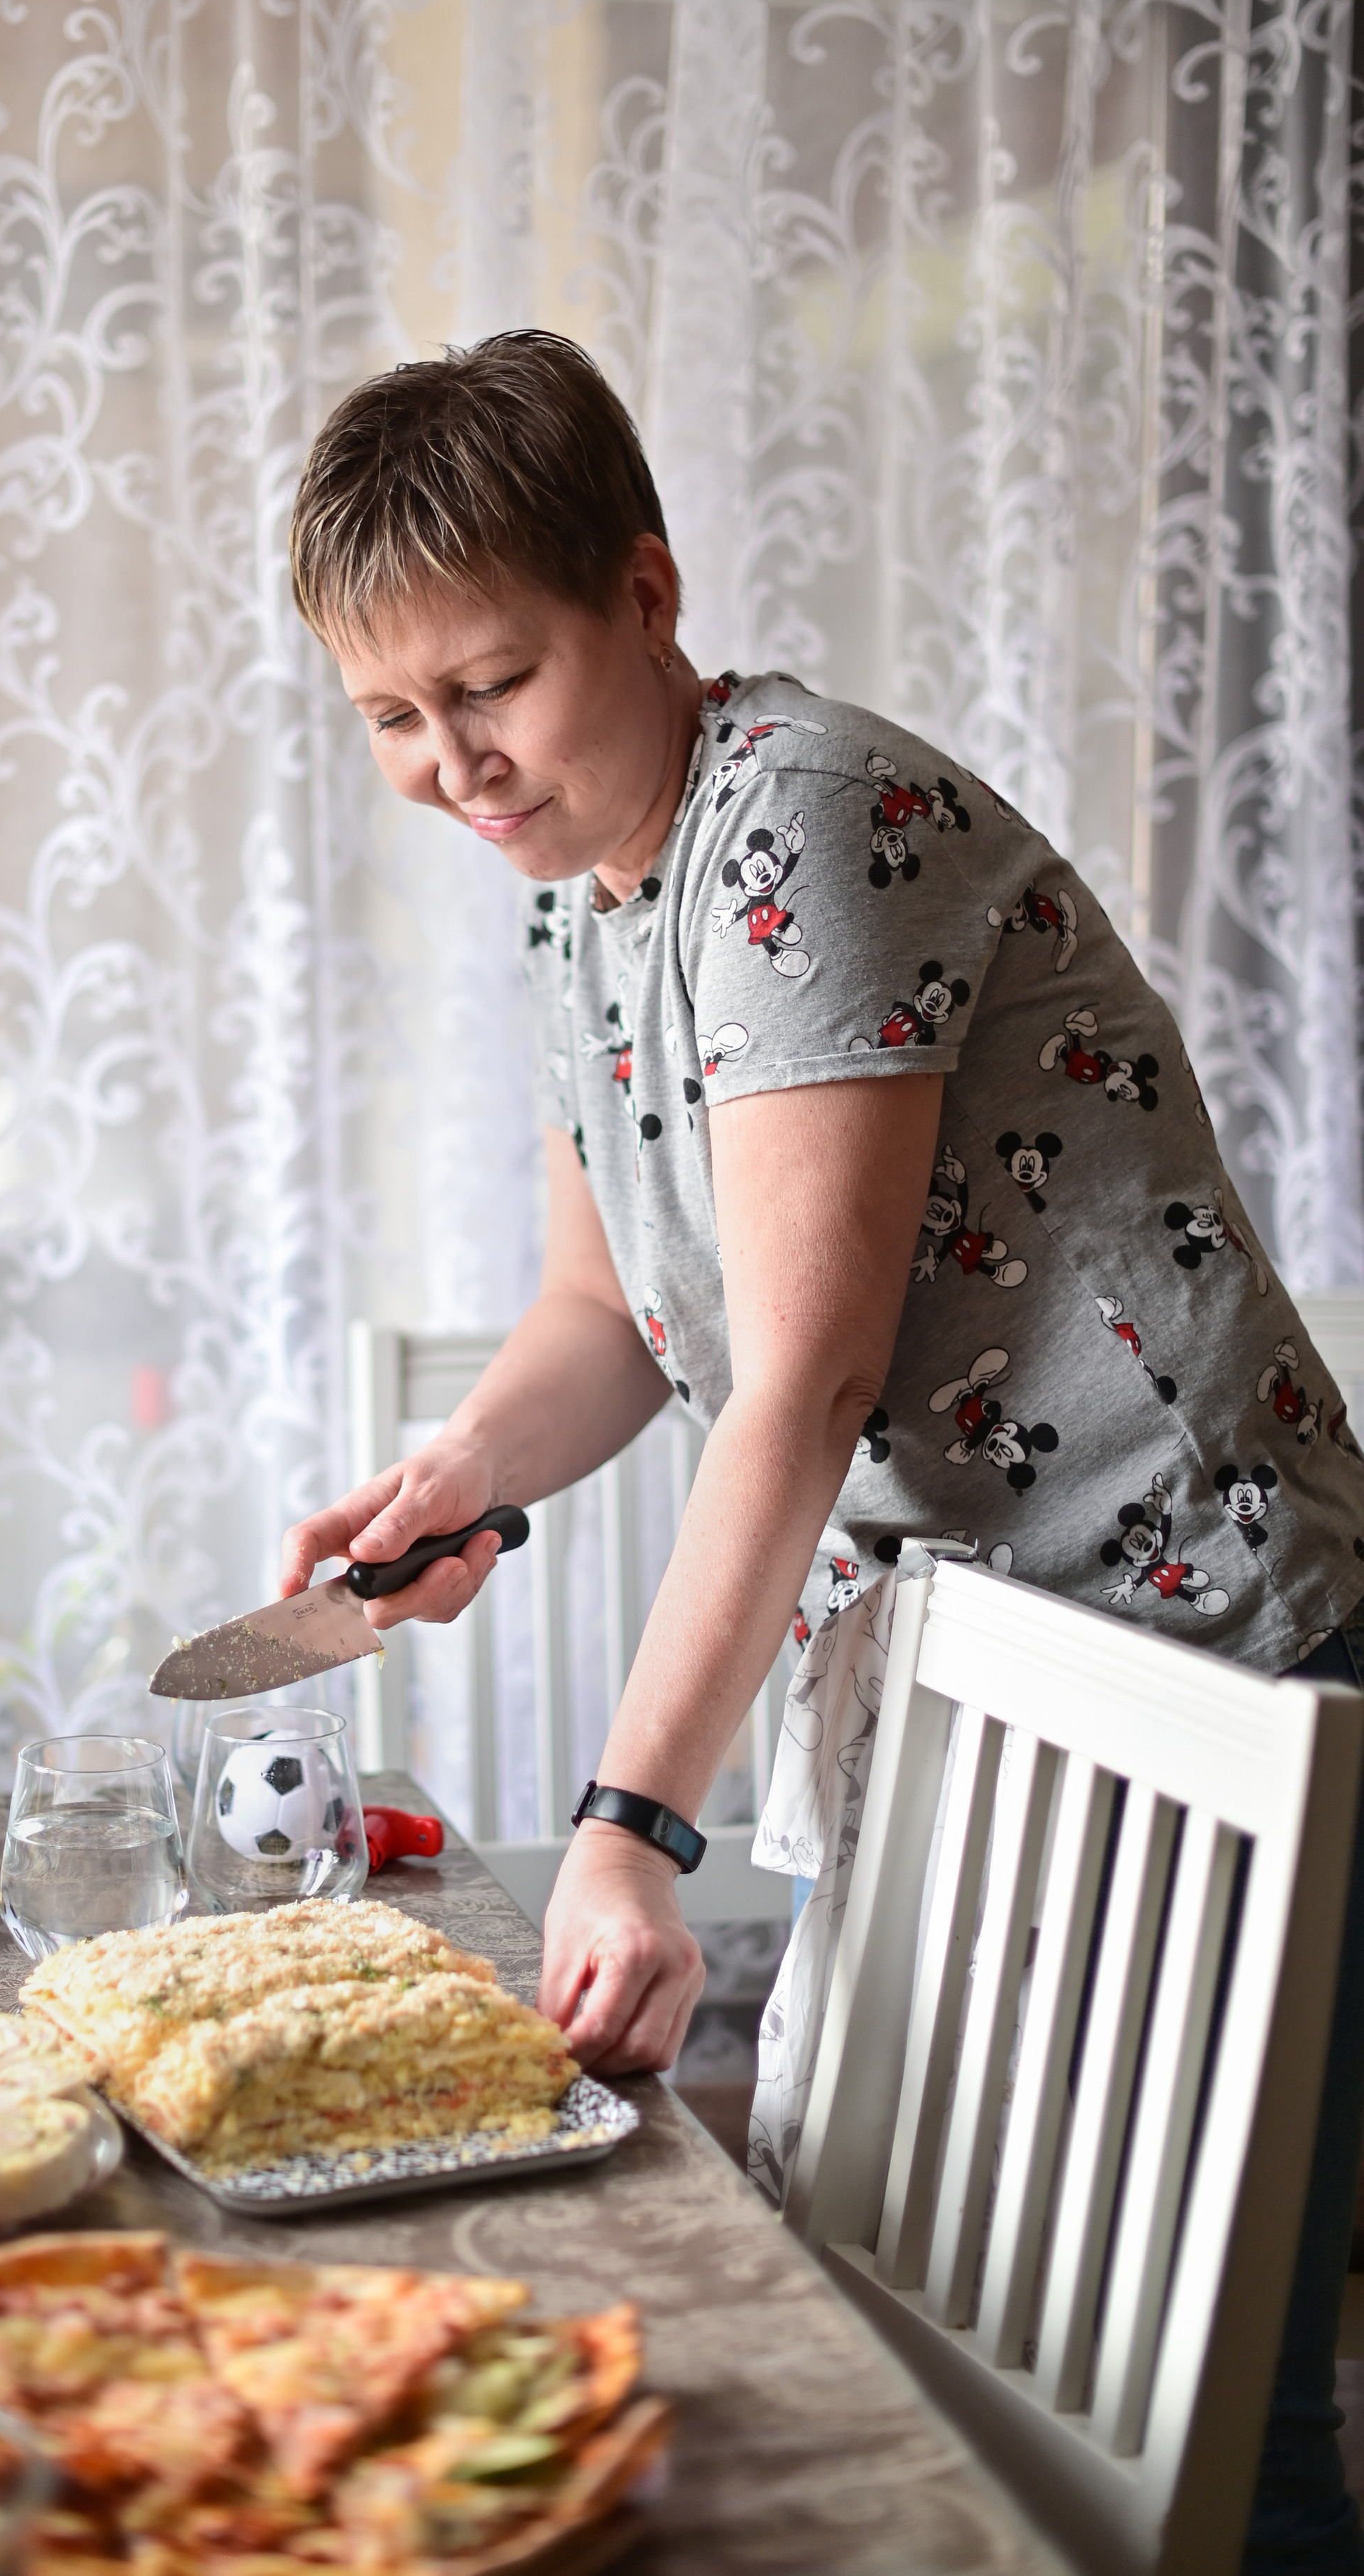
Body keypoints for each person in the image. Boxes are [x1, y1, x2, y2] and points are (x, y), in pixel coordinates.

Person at [278, 329, 1364, 2572]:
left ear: (648, 596)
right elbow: (609, 1313)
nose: (456, 764)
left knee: (1204, 2434)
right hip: (1013, 1681)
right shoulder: (589, 890)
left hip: (1224, 1666)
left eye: (494, 683)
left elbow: (798, 1380)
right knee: (958, 2359)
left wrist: (625, 1825)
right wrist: (470, 1470)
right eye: (394, 717)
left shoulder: (809, 822)